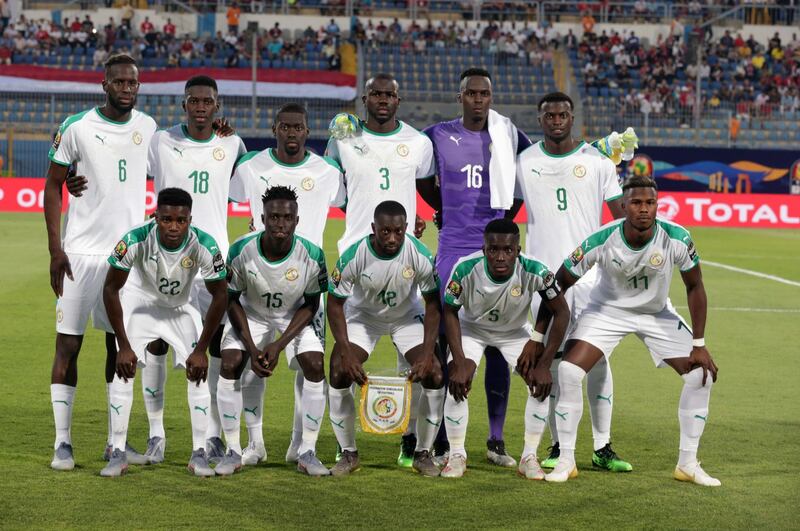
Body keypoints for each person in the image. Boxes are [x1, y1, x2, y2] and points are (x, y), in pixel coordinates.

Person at [541, 176, 720, 486]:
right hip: (606, 312)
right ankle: (566, 460)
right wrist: (536, 337)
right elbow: (558, 284)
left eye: (650, 203)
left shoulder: (676, 237)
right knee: (569, 372)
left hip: (655, 313)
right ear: (623, 206)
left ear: (657, 205)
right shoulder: (601, 239)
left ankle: (688, 464)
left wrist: (699, 343)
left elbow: (695, 286)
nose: (644, 209)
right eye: (636, 203)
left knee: (700, 375)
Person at [45, 54, 157, 471]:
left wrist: (219, 129)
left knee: (120, 348)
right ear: (104, 84)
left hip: (125, 257)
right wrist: (56, 250)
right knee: (68, 345)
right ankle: (62, 443)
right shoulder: (75, 127)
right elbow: (53, 187)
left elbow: (181, 152)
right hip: (79, 254)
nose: (128, 89)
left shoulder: (147, 128)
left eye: (134, 83)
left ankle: (117, 443)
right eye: (120, 82)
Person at [418, 67, 532, 468]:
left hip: (494, 249)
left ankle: (496, 439)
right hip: (452, 247)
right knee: (449, 341)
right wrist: (442, 210)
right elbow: (422, 179)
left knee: (499, 338)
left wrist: (502, 221)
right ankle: (447, 439)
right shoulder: (435, 135)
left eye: (486, 94)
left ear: (491, 97)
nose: (479, 100)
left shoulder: (508, 134)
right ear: (461, 95)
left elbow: (524, 179)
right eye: (472, 94)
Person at [515, 92, 631, 473]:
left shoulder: (598, 161)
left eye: (563, 114)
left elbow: (619, 218)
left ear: (572, 117)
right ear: (540, 118)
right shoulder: (525, 161)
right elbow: (505, 211)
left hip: (590, 279)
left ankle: (602, 446)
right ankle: (555, 444)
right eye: (549, 115)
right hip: (543, 280)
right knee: (548, 362)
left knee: (596, 362)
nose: (557, 120)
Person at [326, 73, 434, 466]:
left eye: (390, 93)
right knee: (340, 366)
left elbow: (427, 189)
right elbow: (332, 192)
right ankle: (346, 449)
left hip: (403, 262)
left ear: (398, 99)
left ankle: (412, 441)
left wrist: (412, 226)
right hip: (358, 267)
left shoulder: (418, 144)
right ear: (364, 98)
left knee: (422, 366)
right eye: (376, 93)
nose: (383, 99)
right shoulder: (343, 139)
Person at [230, 102, 345, 466]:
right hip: (258, 280)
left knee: (308, 366)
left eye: (298, 128)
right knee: (250, 362)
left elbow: (351, 206)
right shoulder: (249, 166)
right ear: (275, 128)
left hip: (306, 285)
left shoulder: (328, 171)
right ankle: (254, 444)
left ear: (308, 132)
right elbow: (222, 194)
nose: (291, 133)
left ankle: (300, 443)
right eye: (285, 127)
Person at [142, 75, 246, 465]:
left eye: (208, 101)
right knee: (156, 343)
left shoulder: (232, 143)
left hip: (211, 259)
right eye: (194, 100)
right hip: (163, 258)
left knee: (212, 346)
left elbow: (249, 187)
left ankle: (214, 434)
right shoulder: (161, 141)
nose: (200, 107)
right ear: (183, 104)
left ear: (217, 107)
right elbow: (132, 169)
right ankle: (156, 434)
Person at [102, 187, 228, 477]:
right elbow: (110, 289)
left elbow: (220, 296)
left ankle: (199, 454)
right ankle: (117, 451)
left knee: (197, 371)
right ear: (155, 216)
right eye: (167, 219)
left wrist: (201, 349)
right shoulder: (134, 239)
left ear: (190, 220)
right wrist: (123, 344)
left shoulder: (204, 245)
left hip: (180, 308)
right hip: (141, 304)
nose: (174, 227)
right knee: (124, 369)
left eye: (181, 221)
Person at [440, 219, 570, 478]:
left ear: (518, 250)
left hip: (514, 332)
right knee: (458, 380)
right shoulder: (465, 268)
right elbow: (450, 311)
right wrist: (459, 358)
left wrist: (542, 359)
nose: (500, 256)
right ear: (484, 248)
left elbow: (561, 311)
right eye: (493, 250)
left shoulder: (535, 269)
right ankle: (456, 455)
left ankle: (529, 456)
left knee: (540, 383)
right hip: (472, 330)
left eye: (508, 250)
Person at [216, 186, 329, 477]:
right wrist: (252, 348)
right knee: (230, 363)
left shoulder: (312, 254)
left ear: (297, 220)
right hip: (251, 315)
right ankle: (239, 449)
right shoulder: (241, 250)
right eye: (274, 217)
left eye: (287, 218)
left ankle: (307, 450)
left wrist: (279, 345)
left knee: (315, 365)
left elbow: (311, 304)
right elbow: (230, 299)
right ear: (262, 218)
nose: (281, 223)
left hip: (292, 318)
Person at [326, 201, 445, 477]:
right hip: (364, 317)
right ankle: (348, 452)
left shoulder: (418, 253)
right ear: (373, 229)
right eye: (385, 232)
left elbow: (432, 304)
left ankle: (423, 453)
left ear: (406, 229)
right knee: (338, 369)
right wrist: (345, 351)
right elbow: (334, 304)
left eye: (398, 232)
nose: (392, 238)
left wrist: (428, 354)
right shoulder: (354, 255)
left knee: (436, 373)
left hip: (406, 316)